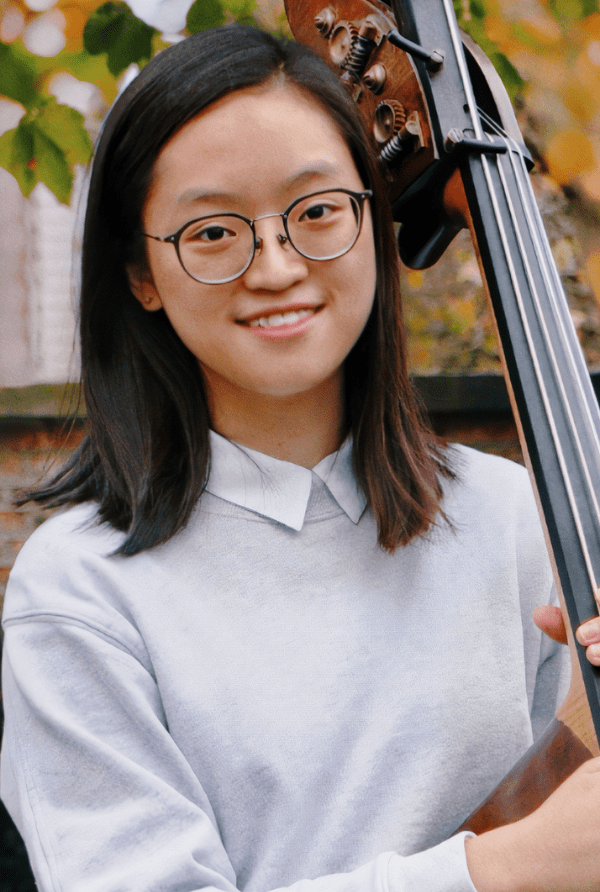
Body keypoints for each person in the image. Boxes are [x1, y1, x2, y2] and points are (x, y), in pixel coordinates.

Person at [2, 23, 600, 892]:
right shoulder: (82, 588)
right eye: (213, 231)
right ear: (140, 275)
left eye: (317, 211)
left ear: (370, 222)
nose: (276, 267)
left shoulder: (517, 517)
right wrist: (497, 869)